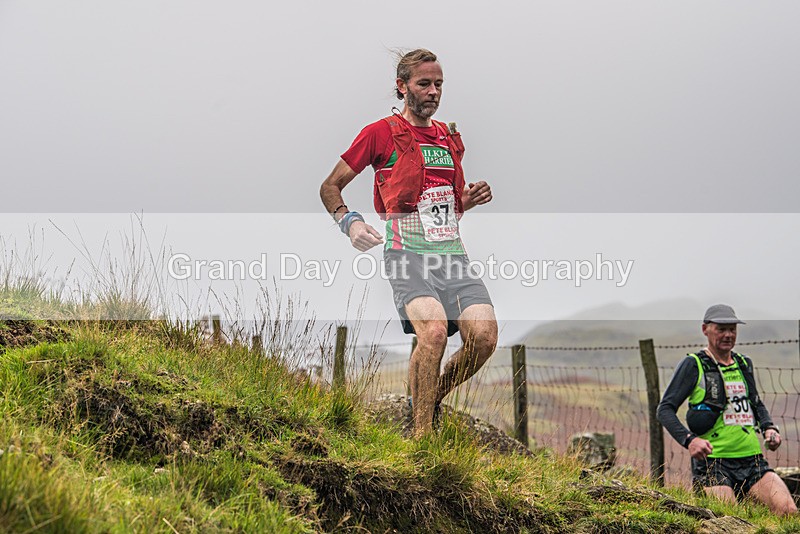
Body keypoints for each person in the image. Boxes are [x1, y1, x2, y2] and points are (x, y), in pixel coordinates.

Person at [319, 48, 497, 437]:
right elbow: (330, 186)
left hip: (452, 255)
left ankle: (429, 400)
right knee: (432, 331)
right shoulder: (379, 133)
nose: (433, 92)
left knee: (484, 338)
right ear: (402, 87)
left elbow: (449, 204)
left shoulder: (448, 137)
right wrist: (349, 223)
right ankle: (421, 439)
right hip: (406, 254)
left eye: (439, 85)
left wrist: (469, 198)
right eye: (424, 84)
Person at [657, 304, 796, 515]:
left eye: (732, 329)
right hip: (714, 462)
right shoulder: (694, 364)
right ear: (705, 329)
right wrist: (690, 440)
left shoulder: (743, 363)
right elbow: (664, 409)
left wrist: (769, 428)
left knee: (788, 511)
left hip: (752, 459)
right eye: (721, 329)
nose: (728, 334)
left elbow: (755, 402)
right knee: (728, 522)